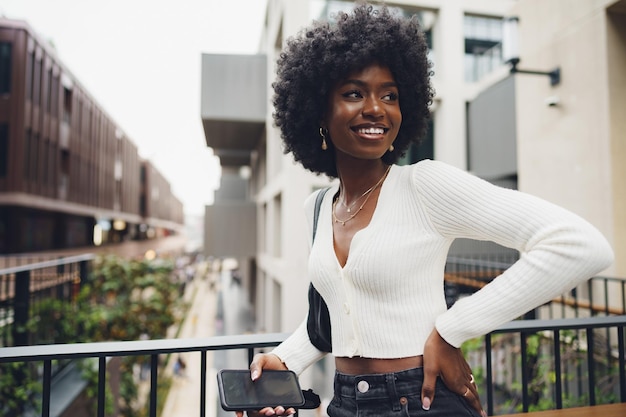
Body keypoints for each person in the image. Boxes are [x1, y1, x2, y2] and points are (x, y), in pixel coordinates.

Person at [238, 3, 614, 417]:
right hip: (343, 403)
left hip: (421, 400)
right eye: (354, 93)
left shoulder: (424, 186)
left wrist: (451, 330)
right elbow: (331, 325)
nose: (376, 108)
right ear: (318, 111)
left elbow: (580, 245)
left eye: (390, 95)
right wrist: (283, 360)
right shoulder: (317, 207)